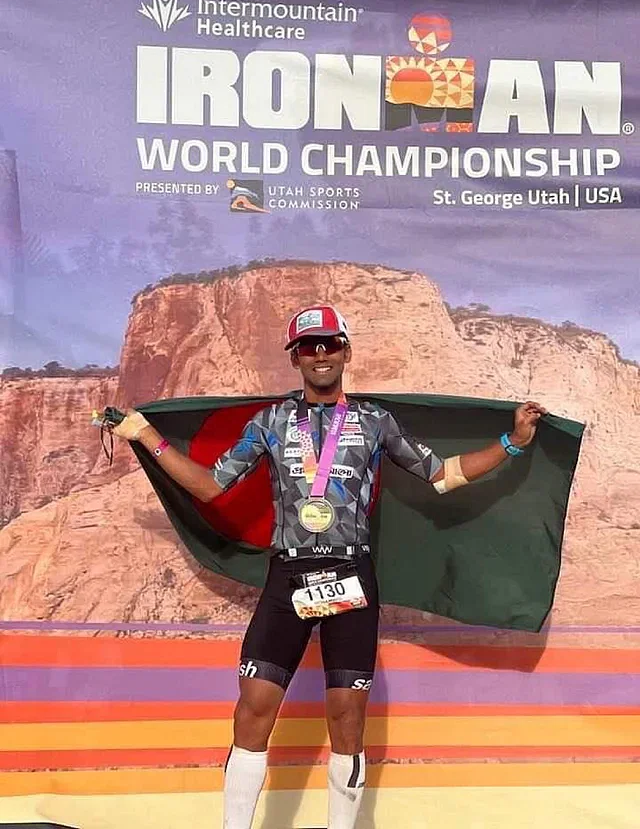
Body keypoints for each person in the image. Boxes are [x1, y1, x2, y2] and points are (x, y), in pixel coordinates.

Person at [111, 304, 546, 829]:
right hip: (288, 577)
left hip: (350, 579)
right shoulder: (270, 421)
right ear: (295, 357)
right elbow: (208, 485)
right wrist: (145, 435)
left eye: (330, 345)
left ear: (346, 351)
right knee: (252, 708)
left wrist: (512, 443)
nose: (321, 355)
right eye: (309, 346)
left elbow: (442, 475)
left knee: (347, 718)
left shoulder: (374, 422)